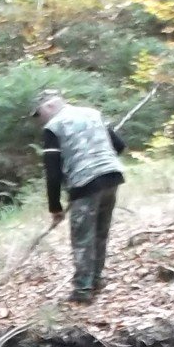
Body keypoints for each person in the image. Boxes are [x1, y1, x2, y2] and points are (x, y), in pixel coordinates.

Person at [34, 90, 126, 303]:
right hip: (112, 176)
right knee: (100, 233)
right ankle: (95, 280)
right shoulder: (93, 114)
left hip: (85, 183)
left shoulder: (53, 127)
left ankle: (83, 290)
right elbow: (119, 146)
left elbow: (53, 171)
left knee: (82, 237)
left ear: (49, 107)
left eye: (39, 114)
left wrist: (55, 206)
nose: (40, 120)